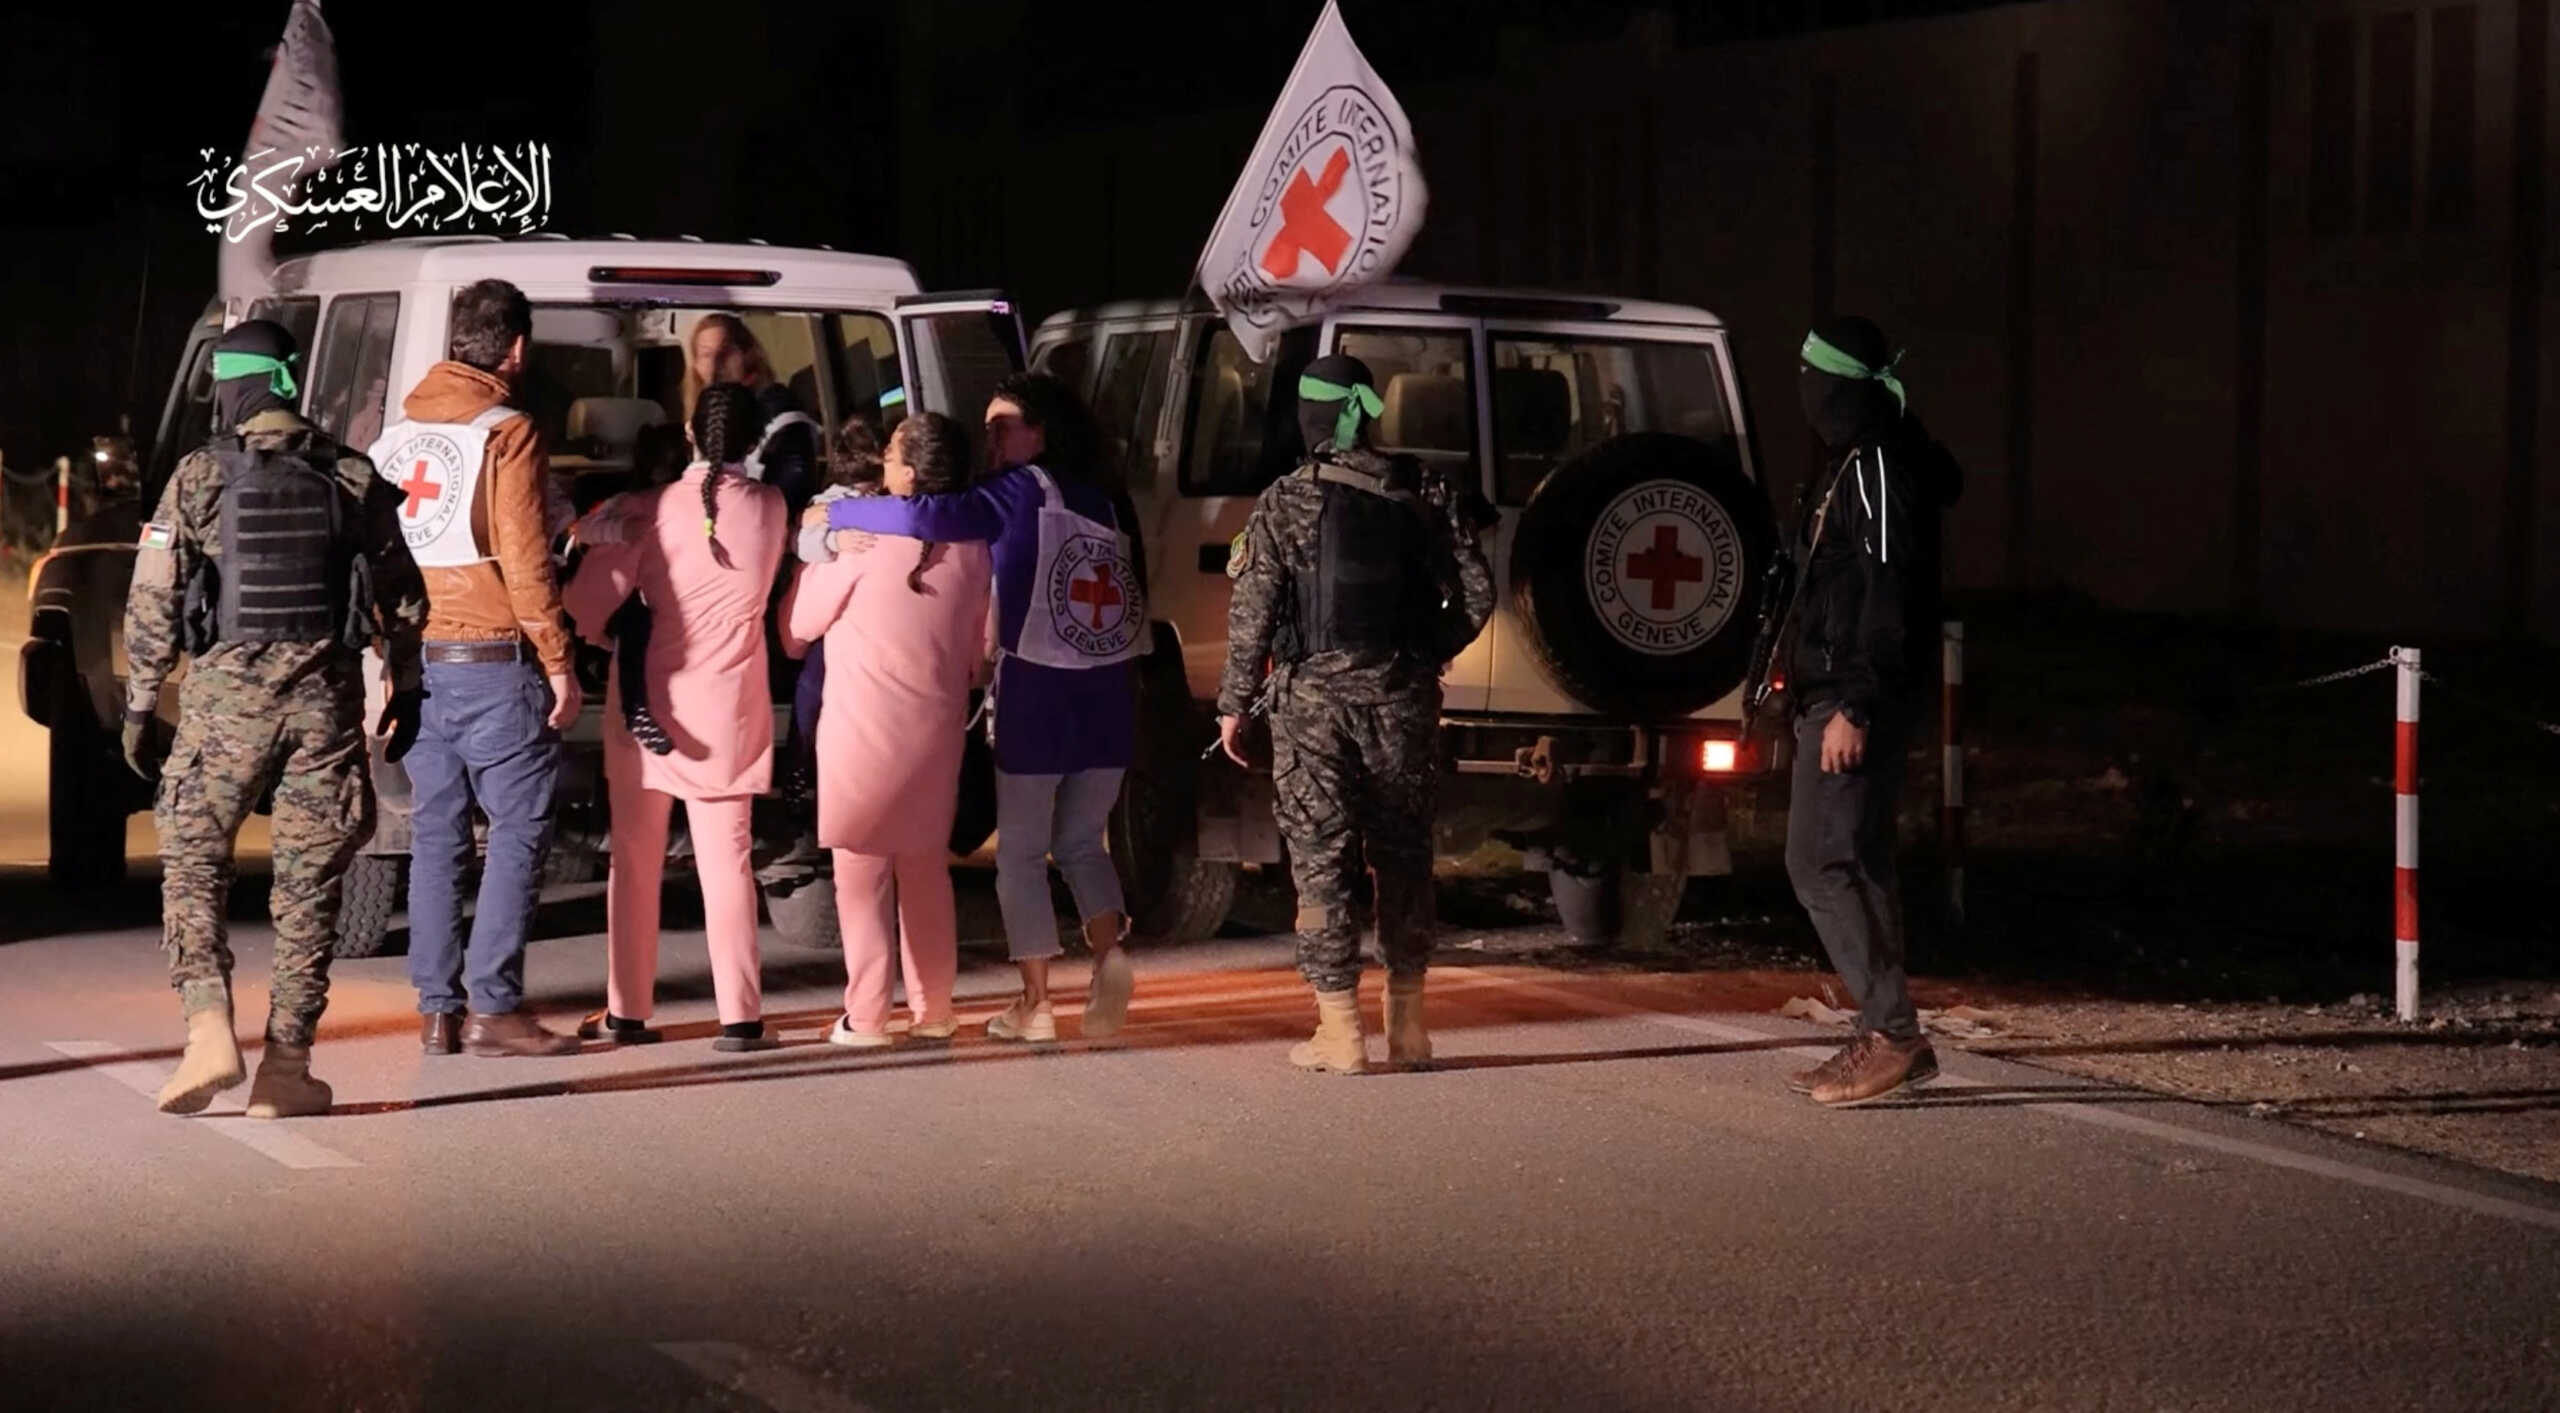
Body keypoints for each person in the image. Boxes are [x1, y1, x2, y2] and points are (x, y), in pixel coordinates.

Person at [121, 317, 423, 1117]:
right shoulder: (351, 474)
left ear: (232, 386)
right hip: (324, 709)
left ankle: (207, 1029)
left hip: (225, 712)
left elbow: (153, 596)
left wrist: (141, 701)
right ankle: (286, 1067)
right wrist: (409, 682)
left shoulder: (198, 475)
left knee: (193, 858)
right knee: (308, 884)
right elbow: (402, 593)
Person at [811, 373, 1140, 1043]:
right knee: (1082, 841)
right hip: (1109, 696)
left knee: (1020, 852)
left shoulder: (1015, 491)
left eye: (1003, 427)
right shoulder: (1104, 497)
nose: (990, 439)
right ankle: (1110, 956)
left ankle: (1036, 1002)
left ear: (1040, 433)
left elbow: (923, 516)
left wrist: (836, 516)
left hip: (1041, 693)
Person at [1215, 353, 1496, 1075]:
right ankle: (1409, 1029)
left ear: (1308, 414)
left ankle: (1340, 1032)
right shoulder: (1423, 487)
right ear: (1366, 409)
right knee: (1404, 857)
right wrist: (1426, 651)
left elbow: (1253, 617)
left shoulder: (1285, 500)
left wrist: (1234, 705)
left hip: (1312, 709)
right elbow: (1477, 592)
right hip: (1402, 701)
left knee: (1321, 861)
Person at [371, 279, 585, 1058]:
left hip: (420, 665)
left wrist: (384, 660)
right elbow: (526, 560)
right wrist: (558, 660)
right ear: (516, 348)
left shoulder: (393, 439)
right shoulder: (508, 433)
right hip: (495, 662)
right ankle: (495, 1005)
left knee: (436, 836)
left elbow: (374, 565)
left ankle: (438, 1011)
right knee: (518, 830)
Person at [564, 382, 790, 1051]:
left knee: (634, 860)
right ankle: (740, 1017)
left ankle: (627, 1011)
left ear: (690, 434)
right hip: (731, 710)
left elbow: (586, 601)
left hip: (650, 707)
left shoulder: (652, 508)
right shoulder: (772, 506)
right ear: (755, 441)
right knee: (728, 863)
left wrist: (607, 633)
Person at [1777, 315, 1965, 1108]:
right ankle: (1889, 1034)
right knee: (1860, 860)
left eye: (1812, 376)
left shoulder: (1877, 464)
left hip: (1857, 696)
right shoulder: (1858, 461)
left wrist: (1854, 702)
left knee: (1817, 863)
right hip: (1841, 690)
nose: (1804, 391)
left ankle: (1892, 1031)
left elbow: (1888, 593)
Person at [781, 412, 991, 1045]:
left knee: (861, 876)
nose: (883, 462)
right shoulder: (975, 550)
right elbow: (982, 653)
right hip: (935, 734)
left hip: (859, 736)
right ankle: (935, 1010)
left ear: (910, 474)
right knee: (926, 872)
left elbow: (797, 630)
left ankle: (867, 1015)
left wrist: (812, 558)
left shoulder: (862, 543)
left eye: (893, 454)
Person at [684, 313, 821, 514]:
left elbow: (789, 500)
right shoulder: (697, 420)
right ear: (695, 364)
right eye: (706, 354)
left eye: (726, 352)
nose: (716, 363)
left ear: (747, 355)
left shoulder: (783, 420)